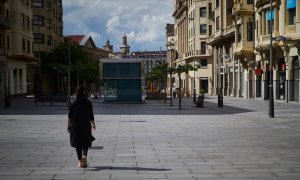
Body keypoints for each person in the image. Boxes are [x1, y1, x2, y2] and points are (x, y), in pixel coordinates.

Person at [67, 85, 96, 168]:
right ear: (84, 92)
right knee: (86, 141)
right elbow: (91, 115)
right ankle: (84, 155)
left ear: (76, 92)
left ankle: (80, 161)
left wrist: (68, 125)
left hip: (75, 126)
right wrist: (93, 124)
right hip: (86, 125)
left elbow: (70, 116)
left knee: (78, 143)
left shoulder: (73, 102)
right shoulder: (88, 102)